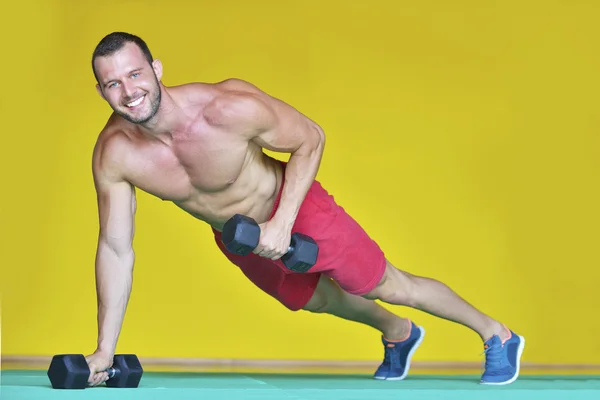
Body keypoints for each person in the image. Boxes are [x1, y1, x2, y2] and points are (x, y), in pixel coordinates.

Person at [85, 31, 525, 387]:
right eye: (113, 83)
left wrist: (282, 222)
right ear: (102, 91)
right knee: (316, 300)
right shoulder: (115, 154)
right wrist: (105, 349)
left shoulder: (228, 108)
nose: (129, 91)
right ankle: (398, 333)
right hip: (238, 236)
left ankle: (495, 333)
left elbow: (310, 138)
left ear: (157, 69)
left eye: (136, 74)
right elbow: (116, 248)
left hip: (293, 207)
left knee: (387, 284)